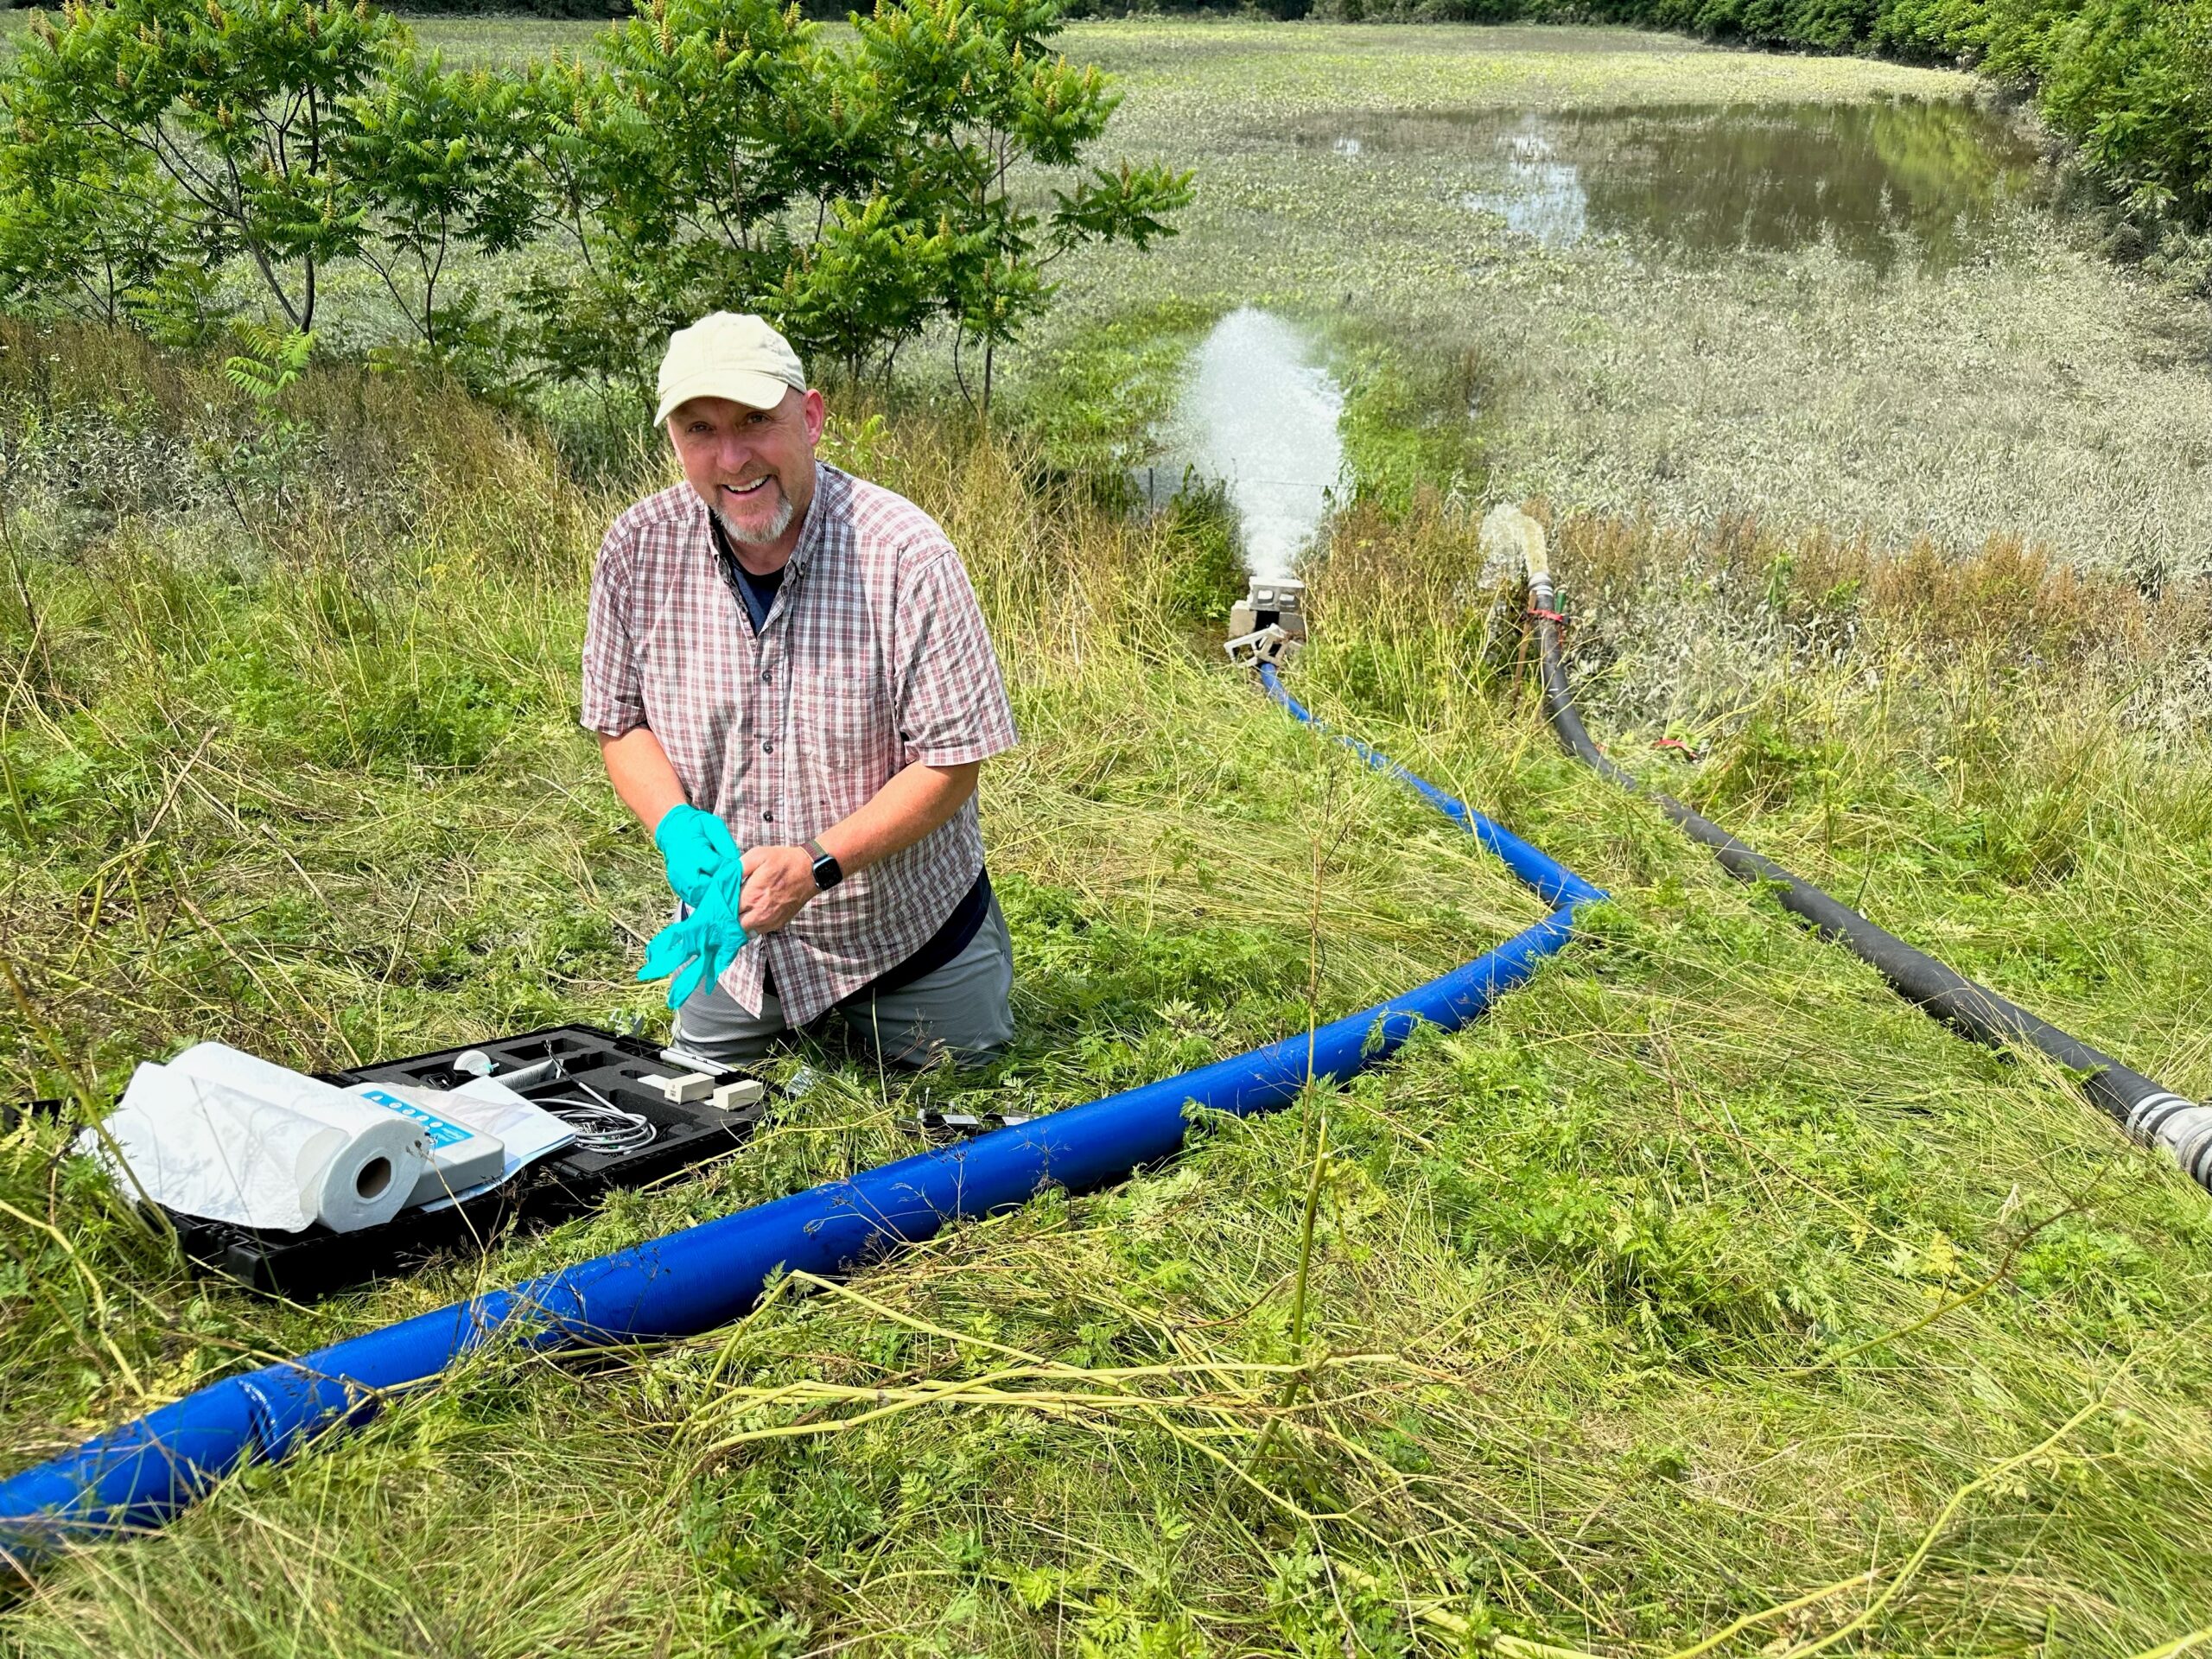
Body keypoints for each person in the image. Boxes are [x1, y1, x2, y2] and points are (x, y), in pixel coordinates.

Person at [581, 312, 1018, 1067]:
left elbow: (953, 762)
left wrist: (818, 865)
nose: (732, 457)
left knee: (960, 1104)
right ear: (673, 442)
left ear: (810, 417)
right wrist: (674, 824)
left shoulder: (904, 555)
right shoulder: (636, 547)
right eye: (700, 430)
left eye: (756, 420)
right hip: (736, 943)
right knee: (705, 1110)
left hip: (903, 934)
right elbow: (620, 723)